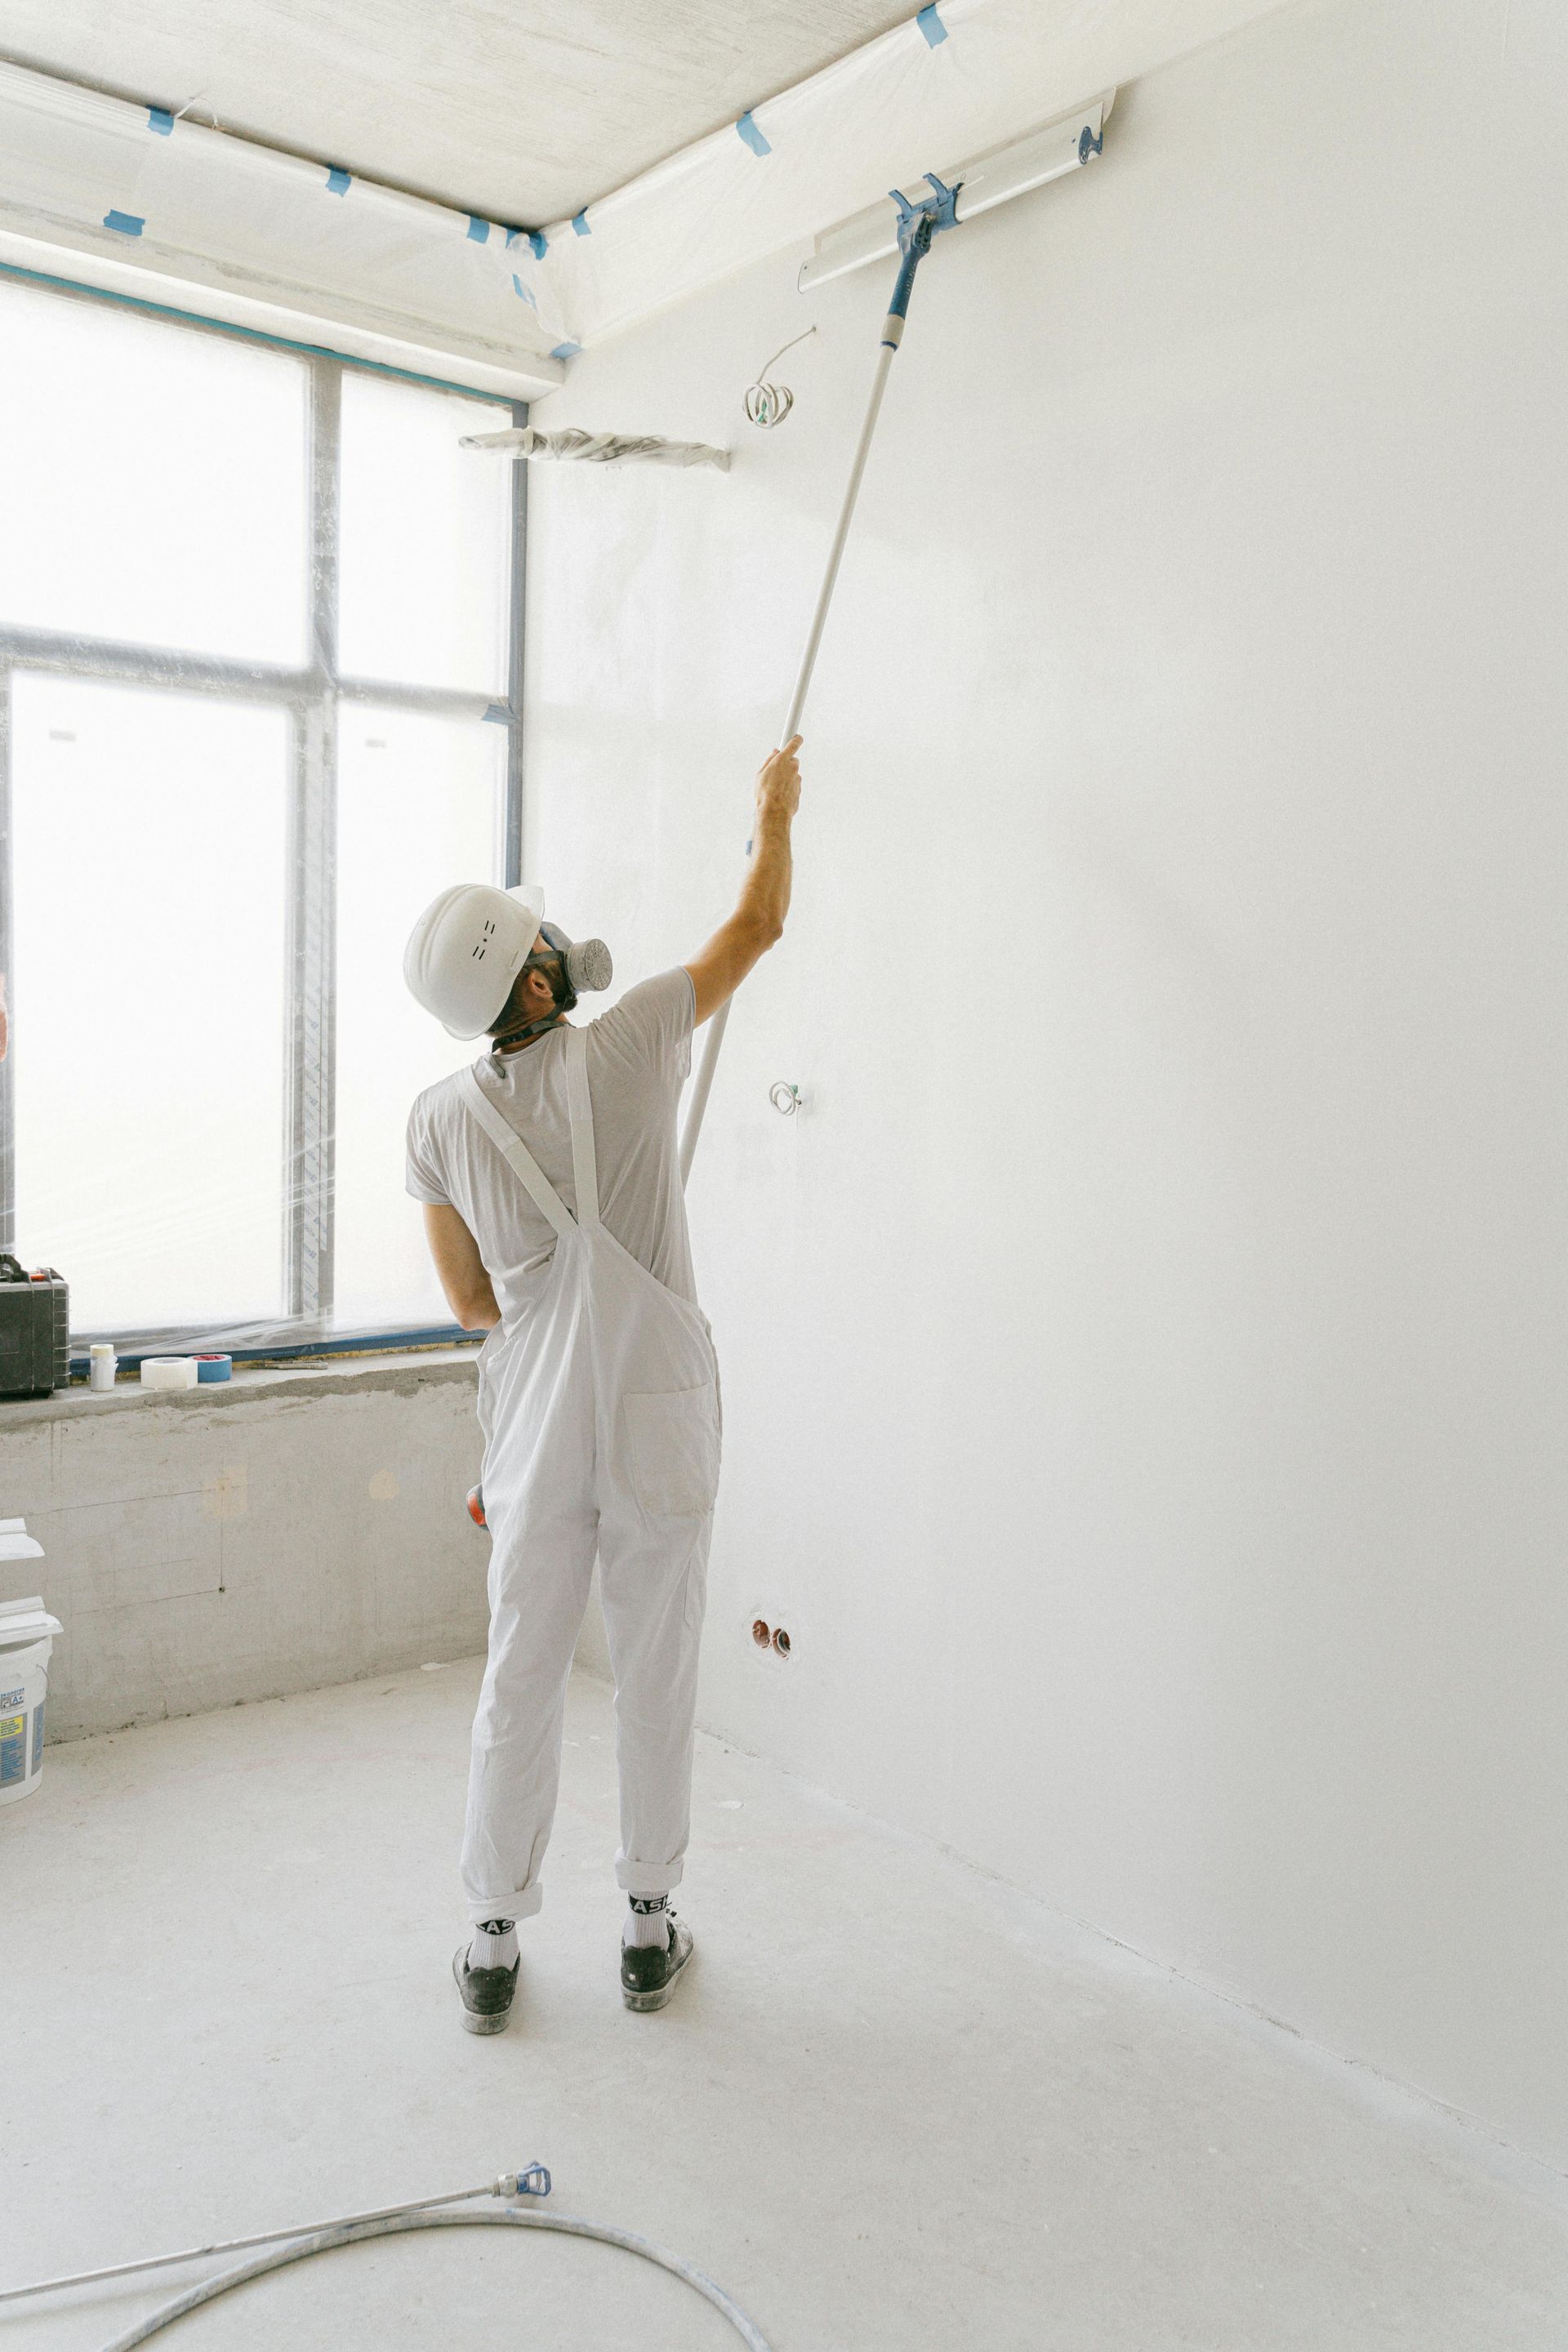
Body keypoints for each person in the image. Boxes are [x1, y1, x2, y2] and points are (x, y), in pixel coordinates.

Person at [403, 737, 803, 2030]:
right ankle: (645, 1927)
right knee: (655, 1665)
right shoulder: (633, 1036)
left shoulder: (439, 1122)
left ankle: (493, 1941)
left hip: (532, 1427)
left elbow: (471, 1304)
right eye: (541, 935)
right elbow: (760, 922)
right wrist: (772, 810)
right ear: (535, 971)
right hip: (654, 1414)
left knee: (521, 1669)